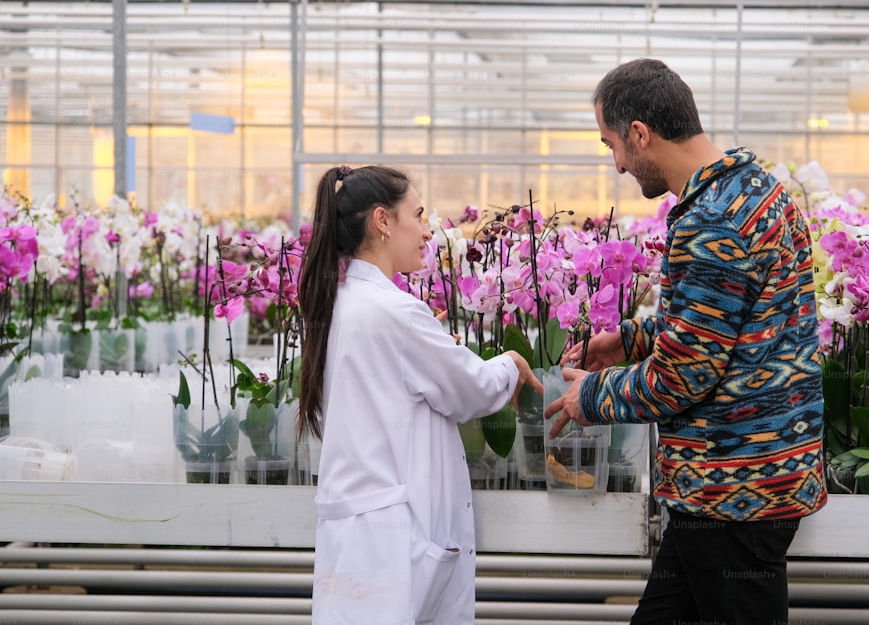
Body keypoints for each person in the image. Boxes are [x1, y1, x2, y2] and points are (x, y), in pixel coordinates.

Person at [545, 58, 828, 625]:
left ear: (640, 134)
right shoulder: (753, 190)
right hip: (737, 485)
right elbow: (735, 324)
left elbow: (686, 375)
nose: (618, 165)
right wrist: (630, 339)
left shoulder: (712, 222)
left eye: (612, 146)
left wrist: (591, 397)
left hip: (732, 495)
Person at [297, 164, 542, 624]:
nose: (428, 231)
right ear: (382, 221)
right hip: (391, 543)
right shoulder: (396, 311)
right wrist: (510, 363)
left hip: (358, 536)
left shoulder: (341, 301)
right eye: (419, 215)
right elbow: (471, 390)